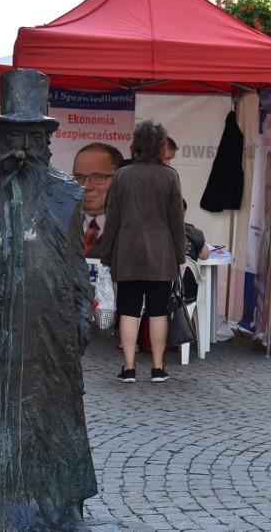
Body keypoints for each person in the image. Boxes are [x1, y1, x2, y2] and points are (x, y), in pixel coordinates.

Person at [0, 68, 96, 530]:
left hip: (48, 331)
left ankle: (54, 509)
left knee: (50, 417)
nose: (24, 145)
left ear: (47, 139)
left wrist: (81, 314)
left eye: (33, 134)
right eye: (15, 134)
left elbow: (74, 262)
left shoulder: (67, 192)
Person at [100, 120, 185, 384]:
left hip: (127, 254)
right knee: (158, 311)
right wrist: (180, 257)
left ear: (135, 145)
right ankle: (158, 368)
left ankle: (129, 368)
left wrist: (106, 256)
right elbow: (176, 223)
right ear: (161, 147)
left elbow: (111, 220)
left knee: (129, 310)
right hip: (161, 256)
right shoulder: (170, 176)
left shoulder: (122, 176)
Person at [72, 142, 123, 258]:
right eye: (79, 177)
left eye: (97, 177)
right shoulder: (63, 228)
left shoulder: (130, 232)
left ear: (119, 179)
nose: (86, 186)